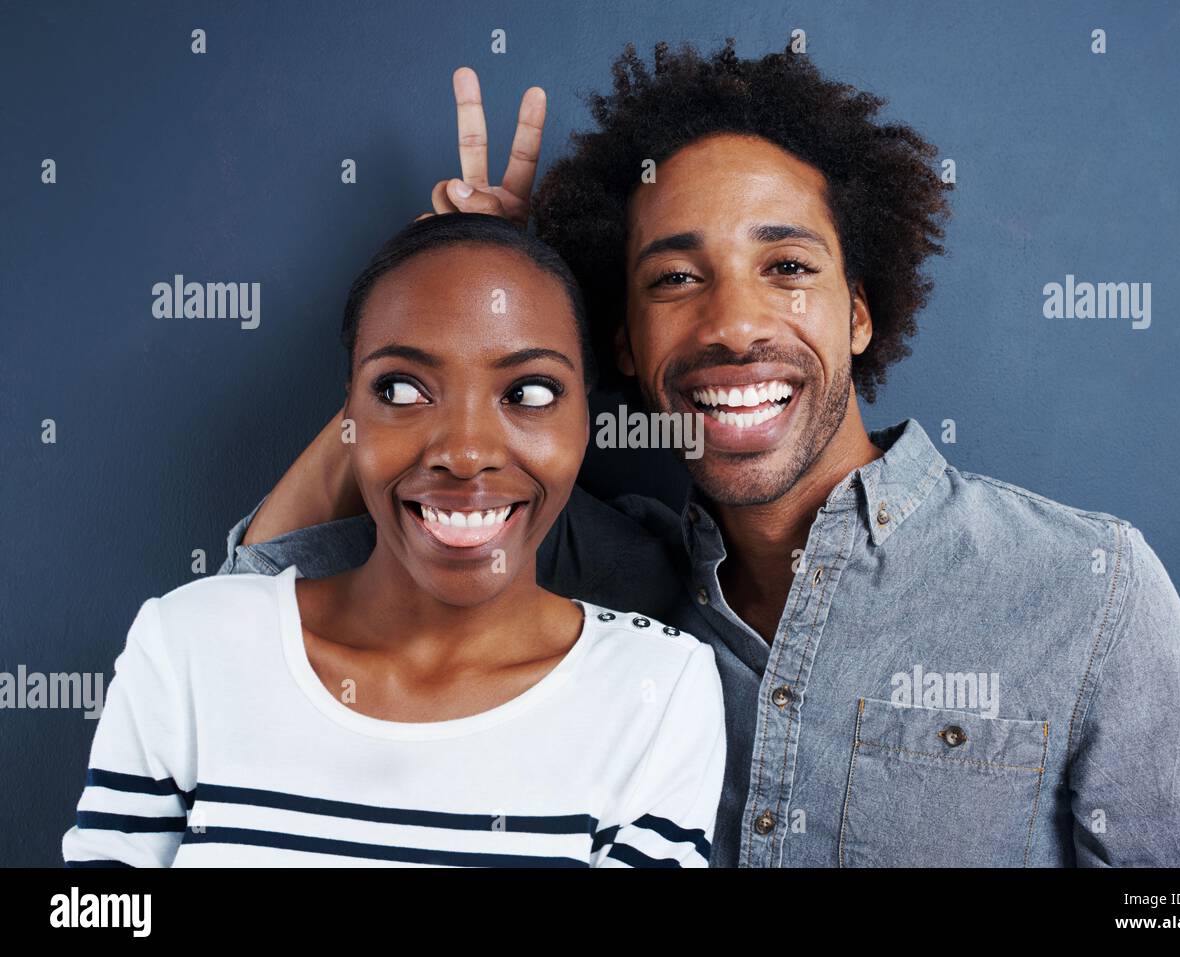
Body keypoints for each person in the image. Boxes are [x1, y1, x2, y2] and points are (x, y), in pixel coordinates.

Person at [220, 43, 1180, 867]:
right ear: (624, 343)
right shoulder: (584, 576)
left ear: (857, 311)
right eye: (675, 279)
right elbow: (271, 587)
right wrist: (457, 306)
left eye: (786, 267)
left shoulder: (1083, 588)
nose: (732, 325)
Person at [63, 213, 726, 868]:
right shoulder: (187, 645)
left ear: (585, 418)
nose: (465, 452)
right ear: (348, 417)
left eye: (528, 391)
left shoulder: (658, 691)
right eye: (401, 388)